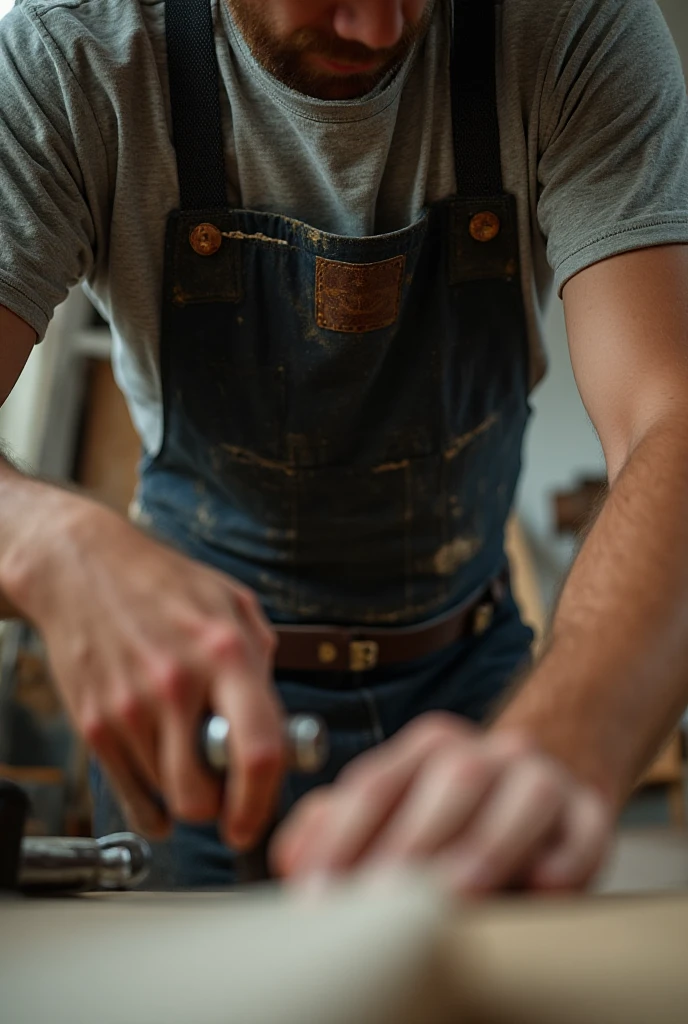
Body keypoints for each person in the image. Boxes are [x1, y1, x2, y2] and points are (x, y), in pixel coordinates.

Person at [0, 0, 687, 894]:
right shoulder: (69, 57)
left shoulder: (573, 25)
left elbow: (669, 411)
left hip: (478, 682)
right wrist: (40, 540)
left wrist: (565, 737)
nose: (379, 29)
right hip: (198, 713)